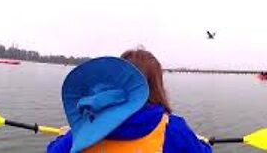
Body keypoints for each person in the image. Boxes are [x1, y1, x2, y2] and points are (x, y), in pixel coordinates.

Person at [47, 48, 212, 153]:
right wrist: (202, 142)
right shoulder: (174, 129)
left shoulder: (88, 127)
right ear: (157, 87)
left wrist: (67, 134)